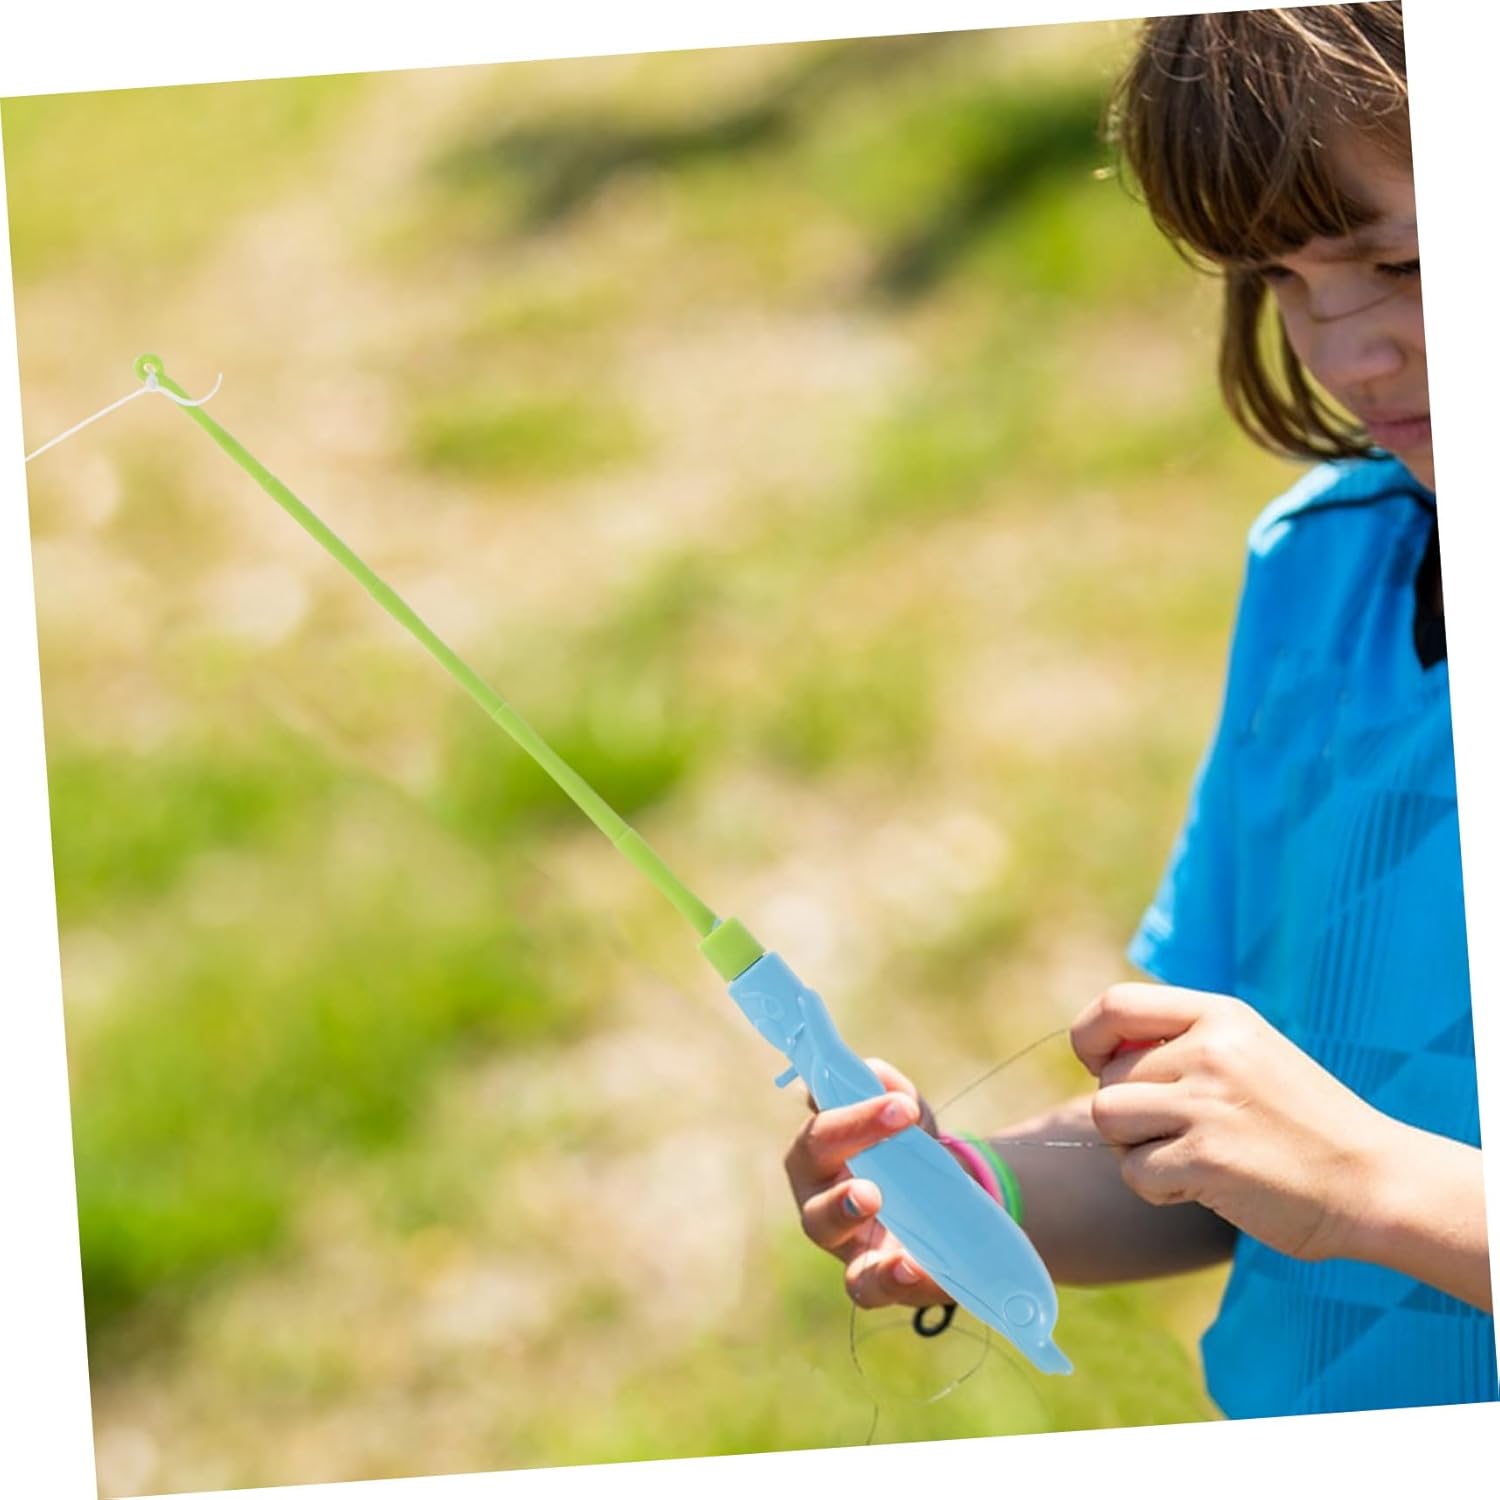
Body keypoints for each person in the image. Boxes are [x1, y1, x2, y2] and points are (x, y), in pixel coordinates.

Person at [783, 3, 1496, 1419]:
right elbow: (1234, 1161)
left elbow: (1324, 1166)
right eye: (1279, 278)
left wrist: (1372, 1183)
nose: (1344, 353)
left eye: (1402, 263)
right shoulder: (1316, 573)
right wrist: (972, 1197)